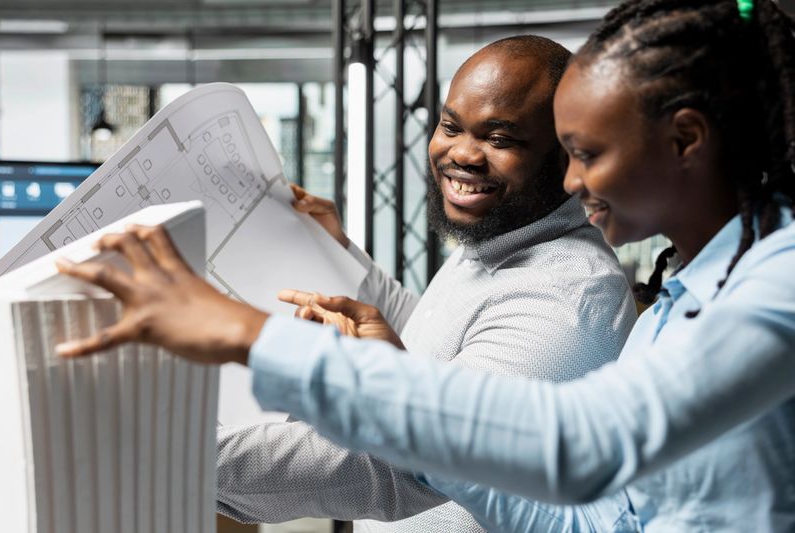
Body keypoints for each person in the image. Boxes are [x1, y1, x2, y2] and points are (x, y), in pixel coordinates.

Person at [55, 0, 795, 531]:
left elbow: (576, 444)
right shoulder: (683, 294)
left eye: (586, 153)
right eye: (450, 125)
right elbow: (585, 517)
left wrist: (246, 336)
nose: (575, 181)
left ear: (686, 141)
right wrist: (388, 362)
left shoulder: (774, 283)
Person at [215, 35, 636, 532]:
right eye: (451, 126)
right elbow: (434, 336)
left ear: (566, 158)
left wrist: (187, 455)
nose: (463, 154)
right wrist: (338, 252)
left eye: (500, 139)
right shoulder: (497, 237)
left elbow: (390, 465)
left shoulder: (566, 297)